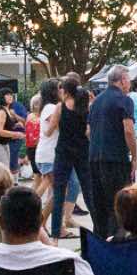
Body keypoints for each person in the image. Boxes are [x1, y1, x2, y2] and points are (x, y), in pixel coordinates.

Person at [87, 67, 137, 240]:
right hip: (115, 158)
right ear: (122, 80)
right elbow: (129, 130)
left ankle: (100, 242)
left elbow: (88, 131)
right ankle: (117, 240)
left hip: (95, 158)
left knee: (100, 205)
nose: (129, 84)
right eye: (129, 80)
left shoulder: (96, 102)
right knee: (119, 204)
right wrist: (135, 156)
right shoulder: (125, 100)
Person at [48, 76, 91, 241]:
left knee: (59, 192)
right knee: (88, 190)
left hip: (64, 151)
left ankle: (55, 234)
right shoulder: (85, 106)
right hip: (82, 151)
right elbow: (88, 131)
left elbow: (50, 129)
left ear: (65, 91)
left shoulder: (60, 107)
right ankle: (99, 228)